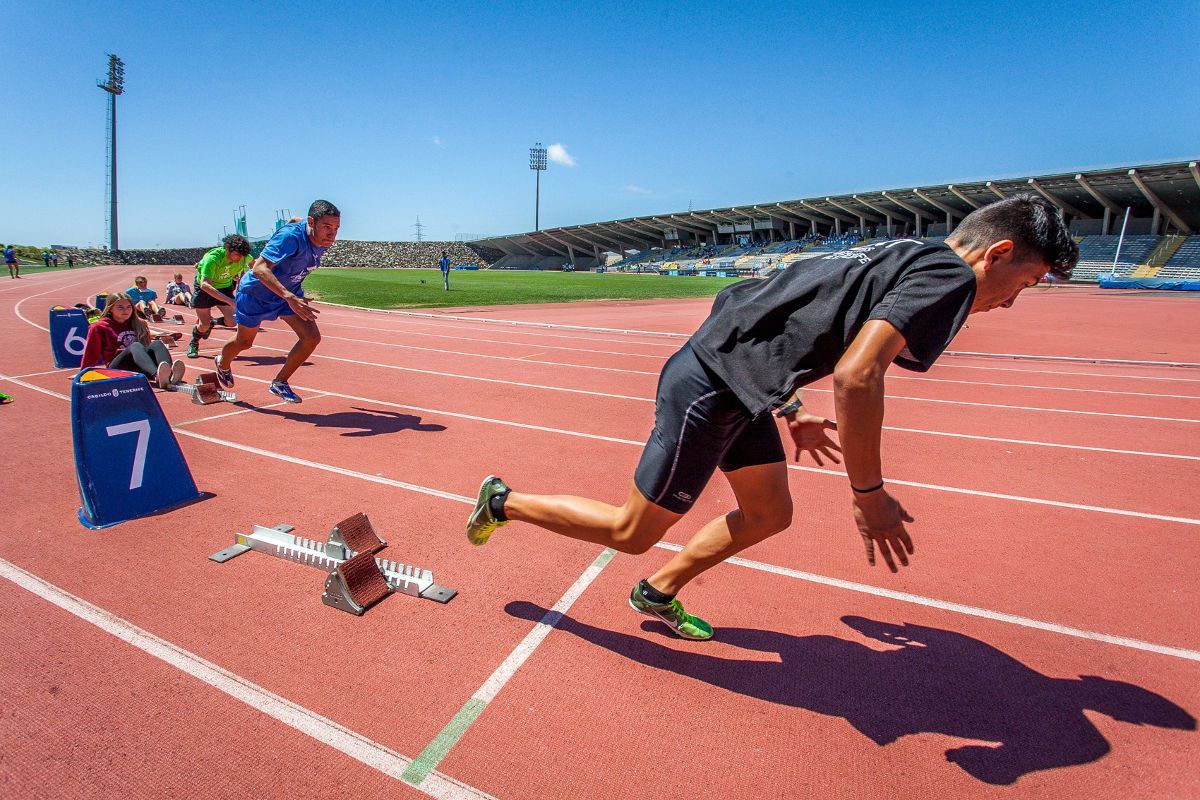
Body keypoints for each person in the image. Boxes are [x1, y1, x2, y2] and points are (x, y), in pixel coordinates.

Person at [466, 194, 1078, 640]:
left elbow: (765, 310)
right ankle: (502, 502)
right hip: (710, 391)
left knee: (769, 513)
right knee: (631, 533)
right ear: (998, 253)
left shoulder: (903, 254)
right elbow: (857, 374)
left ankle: (658, 591)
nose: (1009, 302)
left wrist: (789, 406)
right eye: (1024, 283)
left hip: (736, 387)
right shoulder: (946, 275)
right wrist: (869, 494)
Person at [215, 200, 340, 403]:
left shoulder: (318, 237)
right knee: (244, 343)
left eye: (336, 228)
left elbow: (295, 219)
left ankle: (280, 383)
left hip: (286, 294)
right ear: (312, 222)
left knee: (311, 337)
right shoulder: (290, 238)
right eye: (326, 227)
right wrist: (289, 297)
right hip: (256, 294)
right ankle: (223, 363)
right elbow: (259, 268)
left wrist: (290, 295)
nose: (331, 234)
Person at [80, 292, 186, 389]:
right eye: (120, 307)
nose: (126, 311)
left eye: (128, 307)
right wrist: (83, 374)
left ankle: (169, 375)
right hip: (117, 368)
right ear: (110, 309)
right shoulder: (99, 327)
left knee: (157, 344)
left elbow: (147, 348)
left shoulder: (139, 324)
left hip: (141, 367)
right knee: (135, 346)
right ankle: (157, 376)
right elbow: (91, 353)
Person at [187, 234, 249, 358]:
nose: (240, 258)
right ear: (228, 250)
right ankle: (194, 342)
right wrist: (230, 301)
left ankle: (213, 322)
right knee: (203, 325)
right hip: (205, 289)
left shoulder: (242, 257)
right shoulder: (213, 258)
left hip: (224, 287)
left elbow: (257, 265)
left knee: (232, 322)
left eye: (242, 255)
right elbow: (205, 284)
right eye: (237, 255)